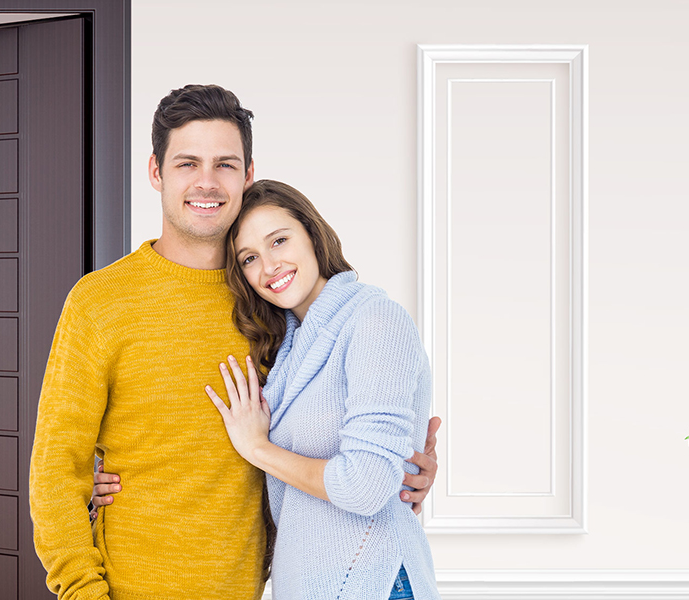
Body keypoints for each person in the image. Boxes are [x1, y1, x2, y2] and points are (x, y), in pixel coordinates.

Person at [28, 84, 439, 600]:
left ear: (247, 174)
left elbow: (349, 425)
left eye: (224, 164)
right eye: (186, 164)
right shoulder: (99, 302)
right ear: (156, 172)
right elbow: (55, 468)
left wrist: (407, 471)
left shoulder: (274, 303)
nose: (206, 182)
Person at [94, 180, 439, 599]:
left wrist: (258, 447)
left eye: (279, 240)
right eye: (250, 258)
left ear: (313, 233)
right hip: (305, 584)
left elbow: (366, 486)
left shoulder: (374, 319)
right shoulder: (290, 347)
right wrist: (123, 473)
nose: (270, 266)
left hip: (374, 583)